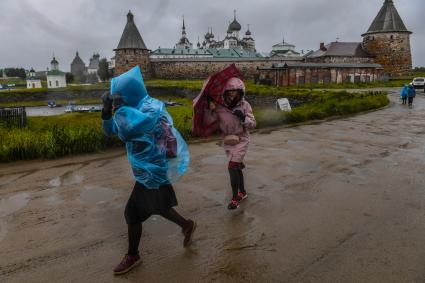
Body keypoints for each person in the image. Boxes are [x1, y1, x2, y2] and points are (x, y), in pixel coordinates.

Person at [101, 66, 196, 275]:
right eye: (115, 99)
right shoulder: (135, 108)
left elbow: (127, 131)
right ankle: (187, 224)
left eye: (119, 98)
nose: (117, 103)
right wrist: (106, 111)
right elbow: (110, 131)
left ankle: (133, 256)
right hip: (150, 171)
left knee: (132, 214)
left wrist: (117, 110)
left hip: (152, 172)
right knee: (160, 206)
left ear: (130, 94)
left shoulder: (149, 111)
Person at [204, 77, 256, 210]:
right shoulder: (220, 106)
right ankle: (242, 192)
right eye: (230, 91)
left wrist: (243, 117)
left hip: (242, 139)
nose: (232, 93)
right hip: (228, 140)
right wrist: (211, 109)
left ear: (241, 92)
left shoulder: (245, 105)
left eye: (235, 91)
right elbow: (210, 121)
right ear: (225, 92)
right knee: (236, 167)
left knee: (232, 167)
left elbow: (253, 124)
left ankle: (234, 199)